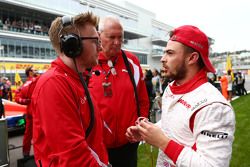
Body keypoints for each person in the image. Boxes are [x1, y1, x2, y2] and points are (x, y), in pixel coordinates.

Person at [126, 25, 235, 167]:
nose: (163, 59)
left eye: (170, 53)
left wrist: (162, 142)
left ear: (192, 58)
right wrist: (148, 131)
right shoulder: (171, 88)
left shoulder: (214, 106)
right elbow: (173, 124)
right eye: (164, 53)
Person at [31, 12, 109, 166]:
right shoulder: (53, 85)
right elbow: (74, 157)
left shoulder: (76, 79)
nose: (101, 47)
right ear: (73, 45)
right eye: (95, 41)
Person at [89, 16, 149, 167]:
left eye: (120, 37)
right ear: (99, 36)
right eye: (111, 37)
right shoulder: (87, 62)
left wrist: (140, 125)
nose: (117, 42)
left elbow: (142, 99)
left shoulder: (132, 61)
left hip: (128, 145)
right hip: (98, 145)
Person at [15, 66, 39, 158]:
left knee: (28, 134)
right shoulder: (37, 80)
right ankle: (40, 155)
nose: (37, 71)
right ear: (30, 72)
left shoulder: (24, 85)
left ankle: (26, 153)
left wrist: (26, 101)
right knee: (40, 134)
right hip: (38, 111)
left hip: (29, 112)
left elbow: (17, 98)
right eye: (35, 70)